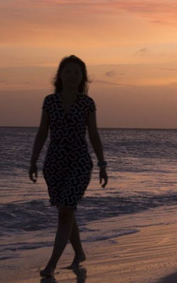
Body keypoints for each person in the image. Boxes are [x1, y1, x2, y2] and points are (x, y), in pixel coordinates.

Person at [29, 55, 108, 278]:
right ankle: (80, 253)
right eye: (68, 71)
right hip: (54, 163)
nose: (72, 76)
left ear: (83, 77)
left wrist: (102, 164)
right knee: (66, 210)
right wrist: (33, 160)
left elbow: (93, 134)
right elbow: (42, 132)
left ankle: (51, 264)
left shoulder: (87, 103)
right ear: (60, 75)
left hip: (80, 162)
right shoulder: (50, 101)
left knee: (65, 211)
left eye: (77, 72)